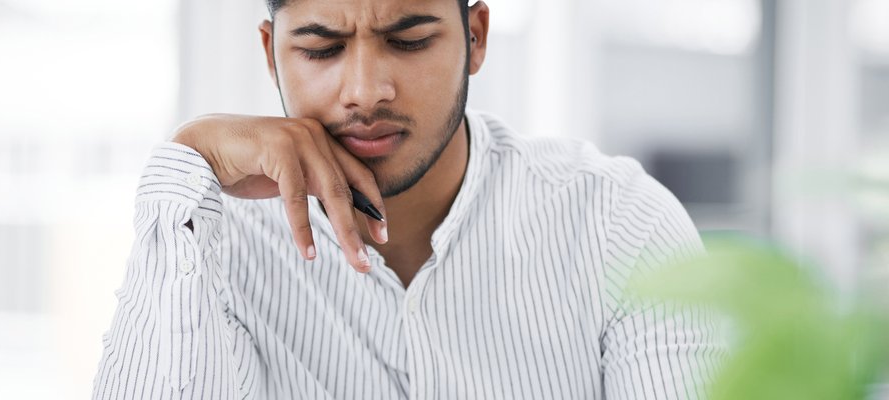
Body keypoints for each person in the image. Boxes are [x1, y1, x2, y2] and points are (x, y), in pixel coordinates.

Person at [93, 0, 726, 398]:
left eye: (410, 39)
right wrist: (186, 164)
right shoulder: (212, 241)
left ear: (476, 37)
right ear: (270, 53)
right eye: (321, 48)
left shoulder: (621, 225)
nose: (366, 91)